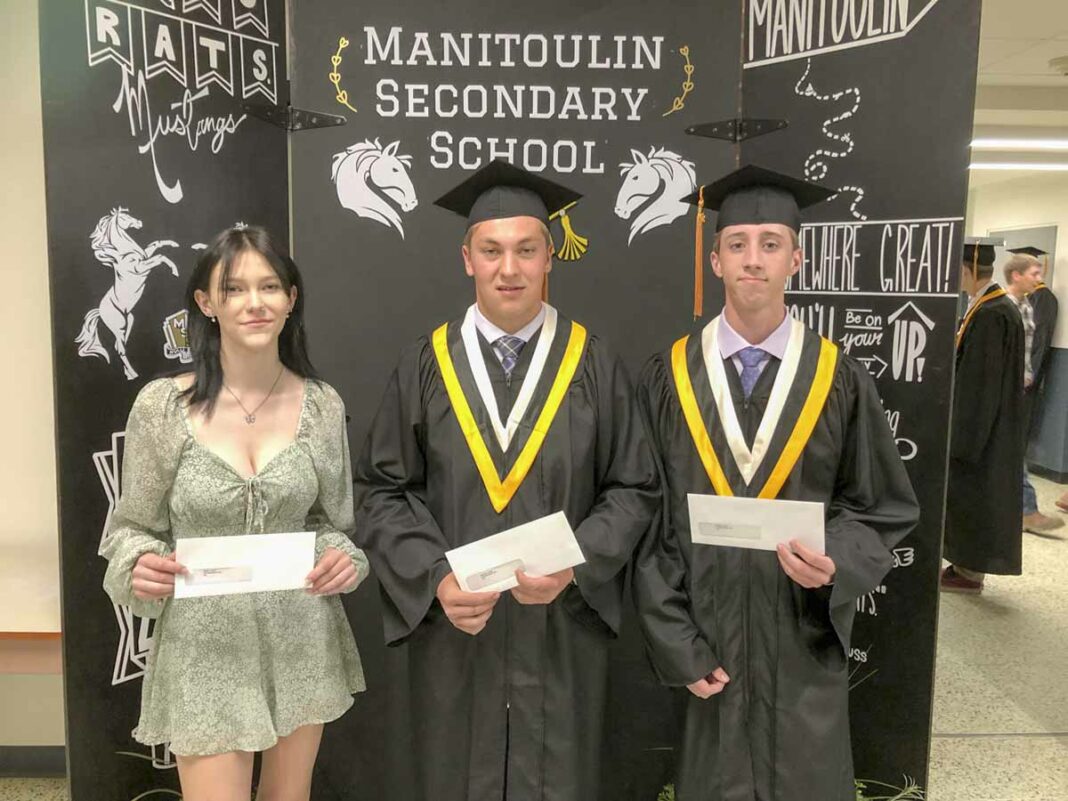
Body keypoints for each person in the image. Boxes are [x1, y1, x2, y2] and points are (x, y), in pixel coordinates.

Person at [353, 160, 660, 801]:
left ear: (550, 257)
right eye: (491, 251)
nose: (509, 268)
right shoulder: (426, 364)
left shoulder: (594, 363)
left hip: (561, 628)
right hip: (459, 629)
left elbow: (634, 487)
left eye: (526, 249)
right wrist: (435, 578)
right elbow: (383, 490)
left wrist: (575, 564)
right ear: (467, 259)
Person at [633, 164, 919, 801]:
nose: (753, 259)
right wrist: (677, 640)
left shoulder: (838, 378)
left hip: (801, 635)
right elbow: (648, 517)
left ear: (796, 258)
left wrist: (836, 560)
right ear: (715, 260)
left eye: (770, 244)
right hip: (708, 636)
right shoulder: (668, 378)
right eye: (737, 244)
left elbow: (880, 506)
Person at [99, 225, 367, 801]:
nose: (254, 302)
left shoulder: (322, 406)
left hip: (301, 637)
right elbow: (130, 529)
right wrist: (140, 563)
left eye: (269, 286)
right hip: (204, 647)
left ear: (290, 299)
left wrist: (342, 559)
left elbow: (332, 525)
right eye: (234, 288)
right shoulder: (162, 407)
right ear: (206, 302)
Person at [942, 238, 1026, 593]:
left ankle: (969, 572)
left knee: (976, 496)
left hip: (981, 428)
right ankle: (965, 565)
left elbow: (979, 383)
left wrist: (961, 438)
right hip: (992, 422)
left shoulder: (991, 314)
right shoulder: (992, 307)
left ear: (968, 270)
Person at [1003, 253, 1062, 533]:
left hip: (1017, 390)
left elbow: (1029, 351)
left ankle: (1026, 509)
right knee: (1011, 450)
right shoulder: (1002, 307)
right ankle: (1026, 510)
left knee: (1013, 449)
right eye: (1034, 274)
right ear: (1016, 275)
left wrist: (1028, 378)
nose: (1039, 279)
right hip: (1001, 392)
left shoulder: (1027, 306)